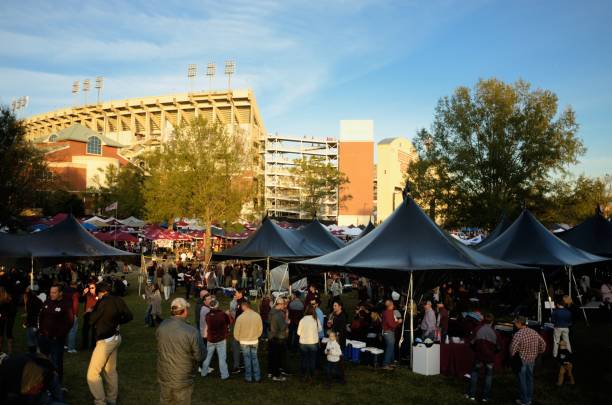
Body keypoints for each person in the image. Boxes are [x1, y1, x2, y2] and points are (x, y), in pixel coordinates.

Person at [87, 281, 133, 405]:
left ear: (101, 293)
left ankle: (100, 401)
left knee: (92, 373)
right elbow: (129, 316)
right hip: (116, 338)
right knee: (110, 371)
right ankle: (112, 398)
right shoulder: (118, 300)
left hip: (105, 341)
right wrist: (117, 322)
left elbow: (91, 320)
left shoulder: (103, 302)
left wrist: (90, 311)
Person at [156, 298, 201, 405]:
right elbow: (199, 356)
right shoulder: (191, 331)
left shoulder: (162, 326)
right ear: (184, 310)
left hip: (165, 375)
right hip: (182, 378)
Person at [38, 284, 73, 382]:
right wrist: (41, 331)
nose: (51, 294)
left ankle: (57, 384)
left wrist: (59, 335)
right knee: (43, 360)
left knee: (56, 361)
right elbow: (41, 316)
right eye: (50, 292)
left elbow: (70, 322)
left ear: (60, 293)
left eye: (54, 292)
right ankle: (44, 381)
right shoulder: (47, 301)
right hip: (44, 337)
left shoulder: (66, 304)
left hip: (56, 340)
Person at [0, 352, 65, 405]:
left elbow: (37, 356)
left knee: (56, 398)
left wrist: (52, 369)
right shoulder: (11, 390)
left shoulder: (45, 375)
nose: (41, 386)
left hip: (49, 375)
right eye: (39, 385)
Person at [510, 316, 546, 405]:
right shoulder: (534, 332)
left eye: (515, 323)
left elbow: (512, 350)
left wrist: (512, 357)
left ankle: (524, 400)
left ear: (519, 323)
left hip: (522, 360)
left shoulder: (518, 334)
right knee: (529, 379)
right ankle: (529, 398)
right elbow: (543, 343)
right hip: (532, 359)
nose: (514, 324)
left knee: (522, 380)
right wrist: (539, 352)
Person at [467, 313, 498, 402]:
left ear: (484, 320)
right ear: (492, 322)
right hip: (489, 358)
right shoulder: (495, 332)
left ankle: (472, 395)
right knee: (488, 376)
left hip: (479, 356)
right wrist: (493, 352)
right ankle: (485, 397)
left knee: (474, 374)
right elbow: (499, 347)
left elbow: (471, 343)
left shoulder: (477, 329)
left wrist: (476, 350)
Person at [200, 298, 230, 379]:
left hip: (210, 339)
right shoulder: (222, 314)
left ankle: (203, 372)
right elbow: (228, 322)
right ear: (217, 306)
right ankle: (224, 375)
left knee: (208, 357)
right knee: (222, 358)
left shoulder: (208, 316)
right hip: (221, 339)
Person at [233, 301, 263, 383]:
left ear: (243, 307)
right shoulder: (257, 316)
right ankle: (257, 377)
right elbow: (260, 329)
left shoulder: (240, 318)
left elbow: (236, 332)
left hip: (244, 342)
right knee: (254, 358)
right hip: (254, 340)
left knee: (247, 359)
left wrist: (239, 339)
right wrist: (256, 336)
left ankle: (248, 377)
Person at [297, 305, 321, 382]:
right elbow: (319, 330)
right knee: (312, 360)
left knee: (304, 359)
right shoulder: (316, 320)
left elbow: (298, 332)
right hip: (313, 343)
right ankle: (311, 375)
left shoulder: (302, 320)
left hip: (303, 343)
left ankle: (304, 375)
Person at [268, 297, 289, 382]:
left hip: (271, 336)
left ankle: (271, 372)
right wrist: (287, 322)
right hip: (278, 337)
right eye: (283, 304)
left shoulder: (272, 311)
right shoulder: (278, 315)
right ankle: (276, 374)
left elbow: (269, 323)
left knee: (272, 356)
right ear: (280, 304)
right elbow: (282, 327)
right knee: (277, 357)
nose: (284, 306)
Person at [381, 299, 402, 369]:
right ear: (391, 305)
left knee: (391, 347)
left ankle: (391, 362)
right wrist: (398, 322)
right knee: (390, 348)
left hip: (386, 332)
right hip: (389, 332)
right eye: (393, 304)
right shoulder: (389, 312)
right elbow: (391, 324)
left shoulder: (384, 312)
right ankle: (385, 364)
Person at [229, 289, 246, 374]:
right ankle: (243, 363)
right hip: (243, 327)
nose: (235, 294)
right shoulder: (244, 301)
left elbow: (236, 315)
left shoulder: (240, 303)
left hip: (240, 327)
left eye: (236, 292)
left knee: (236, 346)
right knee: (243, 346)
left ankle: (236, 366)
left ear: (240, 294)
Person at [23, 286, 43, 354]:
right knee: (37, 340)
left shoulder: (30, 301)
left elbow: (29, 313)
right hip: (37, 323)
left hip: (32, 324)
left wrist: (26, 322)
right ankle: (38, 352)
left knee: (31, 341)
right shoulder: (39, 300)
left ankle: (33, 355)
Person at [65, 281, 80, 353]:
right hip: (72, 313)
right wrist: (75, 314)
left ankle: (65, 345)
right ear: (75, 285)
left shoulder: (64, 291)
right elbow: (75, 304)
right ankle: (71, 348)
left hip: (64, 313)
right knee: (72, 330)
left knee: (66, 330)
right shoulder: (75, 293)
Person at [0, 286, 17, 353]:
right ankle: (2, 351)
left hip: (9, 319)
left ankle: (10, 352)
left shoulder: (8, 299)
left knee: (8, 334)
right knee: (1, 334)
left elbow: (13, 310)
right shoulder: (4, 299)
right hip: (3, 318)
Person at [82, 281, 98, 350]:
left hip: (94, 314)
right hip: (87, 314)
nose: (91, 289)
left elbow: (100, 305)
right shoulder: (87, 295)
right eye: (90, 288)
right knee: (85, 330)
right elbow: (80, 300)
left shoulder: (98, 295)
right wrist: (83, 293)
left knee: (94, 331)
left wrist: (91, 309)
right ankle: (84, 346)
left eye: (92, 288)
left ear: (95, 288)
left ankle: (93, 346)